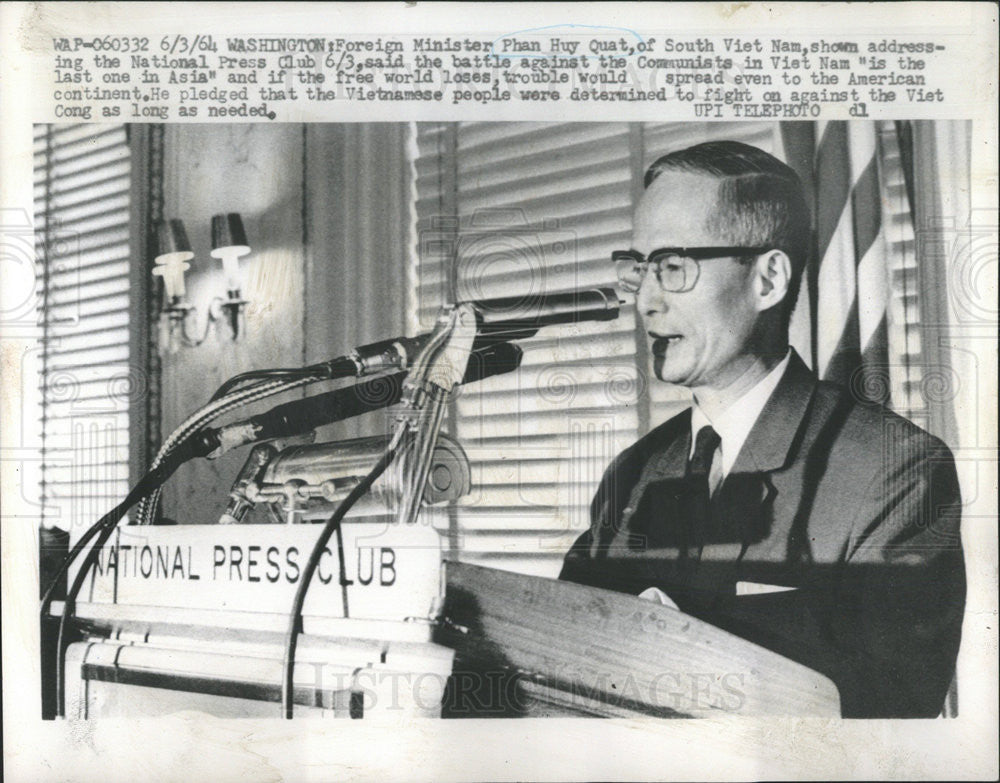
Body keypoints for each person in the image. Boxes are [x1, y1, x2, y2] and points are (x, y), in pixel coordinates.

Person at [559, 141, 966, 718]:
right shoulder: (634, 470)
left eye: (673, 267)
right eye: (638, 268)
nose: (645, 301)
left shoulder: (894, 469)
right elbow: (556, 646)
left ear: (768, 279)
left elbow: (887, 715)